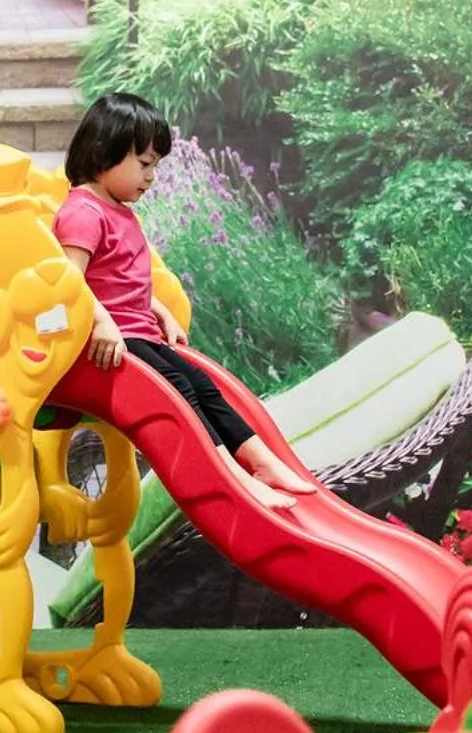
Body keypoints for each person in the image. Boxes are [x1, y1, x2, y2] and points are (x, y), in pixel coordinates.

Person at [53, 92, 316, 511]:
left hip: (139, 337)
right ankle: (231, 477)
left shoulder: (119, 211)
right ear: (105, 153)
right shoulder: (83, 212)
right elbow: (68, 281)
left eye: (156, 165)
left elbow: (120, 278)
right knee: (179, 394)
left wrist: (159, 310)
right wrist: (101, 322)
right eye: (144, 163)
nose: (152, 176)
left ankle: (260, 461)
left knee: (204, 386)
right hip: (113, 348)